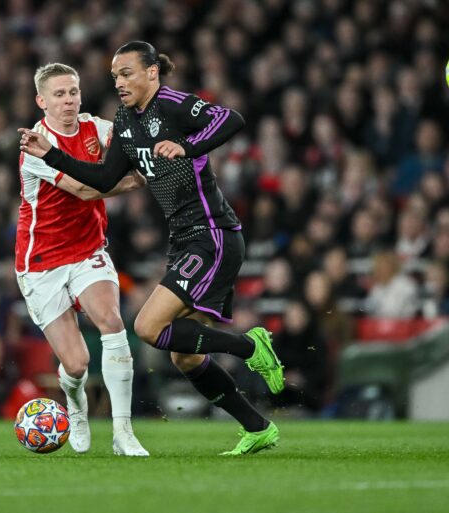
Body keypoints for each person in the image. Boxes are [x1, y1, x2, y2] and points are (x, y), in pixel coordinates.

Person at [20, 42, 284, 455]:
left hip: (211, 233)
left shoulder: (173, 105)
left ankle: (251, 347)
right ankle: (257, 427)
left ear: (152, 73)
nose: (119, 82)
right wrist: (51, 154)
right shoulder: (125, 121)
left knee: (146, 327)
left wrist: (189, 147)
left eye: (127, 73)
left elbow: (231, 118)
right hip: (182, 238)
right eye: (114, 76)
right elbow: (104, 180)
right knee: (186, 357)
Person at [16, 63, 148, 456]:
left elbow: (136, 143)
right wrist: (137, 180)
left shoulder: (98, 129)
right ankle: (76, 408)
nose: (69, 100)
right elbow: (87, 191)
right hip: (41, 261)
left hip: (89, 250)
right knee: (76, 364)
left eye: (73, 91)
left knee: (111, 320)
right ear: (42, 101)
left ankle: (123, 432)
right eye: (59, 94)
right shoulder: (36, 146)